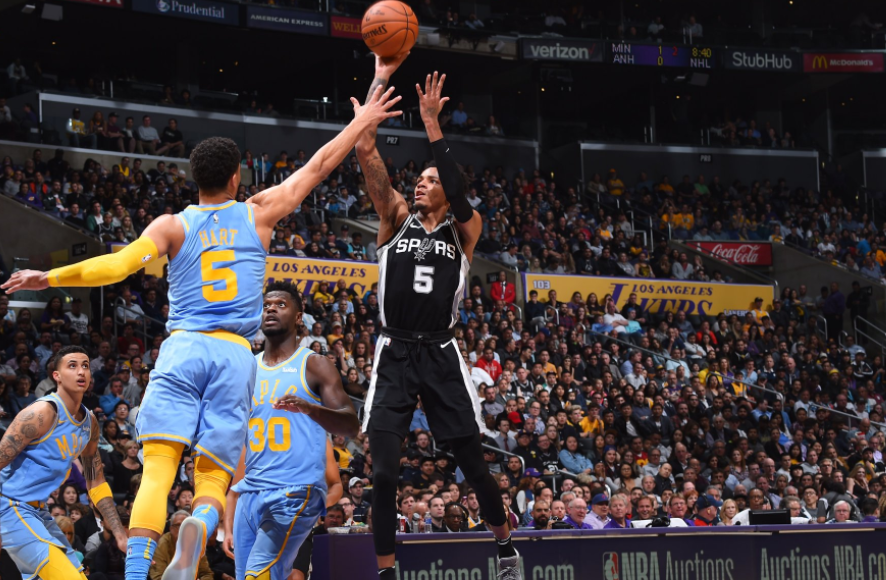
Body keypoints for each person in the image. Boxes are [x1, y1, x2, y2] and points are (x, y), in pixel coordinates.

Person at [0, 90, 400, 580]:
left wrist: (49, 277)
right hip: (235, 354)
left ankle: (137, 573)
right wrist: (359, 123)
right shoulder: (258, 213)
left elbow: (117, 266)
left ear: (195, 178)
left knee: (158, 468)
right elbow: (317, 167)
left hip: (185, 346)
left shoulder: (172, 225)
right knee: (212, 473)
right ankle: (201, 524)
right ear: (236, 177)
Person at [355, 54, 519, 580]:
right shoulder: (395, 216)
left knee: (473, 465)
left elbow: (456, 184)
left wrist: (431, 123)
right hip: (395, 350)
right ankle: (386, 571)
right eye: (419, 179)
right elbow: (365, 150)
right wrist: (379, 85)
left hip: (442, 352)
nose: (421, 184)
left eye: (431, 179)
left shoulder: (466, 229)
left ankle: (505, 546)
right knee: (383, 474)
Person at [224, 282, 359, 580]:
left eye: (281, 305)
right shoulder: (246, 368)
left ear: (299, 317)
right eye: (266, 305)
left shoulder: (314, 364)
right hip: (251, 492)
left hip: (294, 491)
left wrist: (311, 409)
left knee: (259, 573)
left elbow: (351, 424)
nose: (271, 309)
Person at [0, 346, 127, 580]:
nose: (81, 371)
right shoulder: (42, 412)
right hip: (10, 507)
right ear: (56, 376)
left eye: (85, 366)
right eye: (72, 365)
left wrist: (119, 533)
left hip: (39, 511)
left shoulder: (90, 423)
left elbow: (96, 482)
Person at [149, 511, 214, 580]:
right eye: (178, 525)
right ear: (171, 528)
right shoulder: (161, 544)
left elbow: (207, 574)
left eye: (185, 526)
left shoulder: (195, 544)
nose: (182, 529)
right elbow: (158, 577)